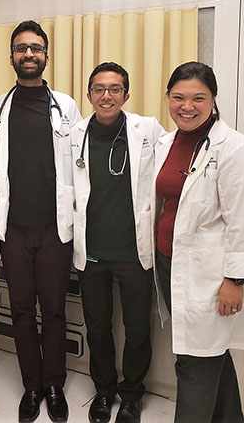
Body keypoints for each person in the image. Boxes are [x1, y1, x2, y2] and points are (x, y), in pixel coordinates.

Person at [153, 61, 244, 423]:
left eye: (198, 98)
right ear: (168, 98)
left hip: (211, 275)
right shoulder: (167, 143)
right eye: (178, 97)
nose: (187, 106)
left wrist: (236, 281)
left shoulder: (237, 150)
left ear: (214, 99)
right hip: (171, 264)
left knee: (193, 361)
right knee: (209, 351)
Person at [0, 20, 82, 423]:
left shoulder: (66, 106)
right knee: (23, 310)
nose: (29, 54)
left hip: (55, 229)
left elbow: (78, 169)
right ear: (11, 56)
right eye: (21, 48)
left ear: (46, 55)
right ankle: (31, 386)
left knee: (55, 310)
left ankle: (55, 385)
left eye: (36, 48)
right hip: (14, 230)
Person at [71, 62, 165, 423]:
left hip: (133, 251)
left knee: (138, 328)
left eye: (114, 89)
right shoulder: (75, 134)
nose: (106, 95)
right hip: (92, 250)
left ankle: (131, 394)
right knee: (97, 326)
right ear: (90, 94)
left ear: (126, 95)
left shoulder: (148, 130)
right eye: (98, 89)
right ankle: (104, 391)